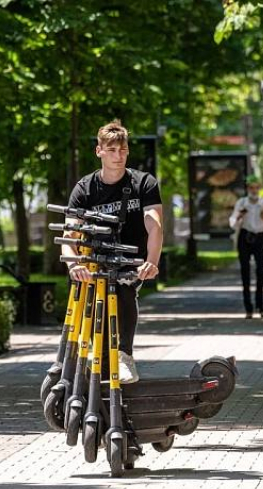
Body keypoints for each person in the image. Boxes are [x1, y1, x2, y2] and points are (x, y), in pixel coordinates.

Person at [61, 120, 163, 384]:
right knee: (88, 302)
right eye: (112, 149)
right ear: (99, 151)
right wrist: (73, 265)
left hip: (130, 262)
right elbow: (69, 233)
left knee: (124, 288)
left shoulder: (144, 183)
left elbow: (154, 225)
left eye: (123, 149)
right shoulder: (85, 188)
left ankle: (124, 355)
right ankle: (71, 359)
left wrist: (152, 262)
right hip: (94, 262)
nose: (118, 155)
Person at [230, 174, 263, 319]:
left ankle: (260, 306)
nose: (254, 190)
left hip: (260, 237)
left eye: (256, 187)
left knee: (261, 270)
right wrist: (239, 216)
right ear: (248, 188)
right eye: (251, 187)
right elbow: (232, 222)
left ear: (259, 188)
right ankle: (248, 308)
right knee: (245, 271)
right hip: (245, 236)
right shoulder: (242, 202)